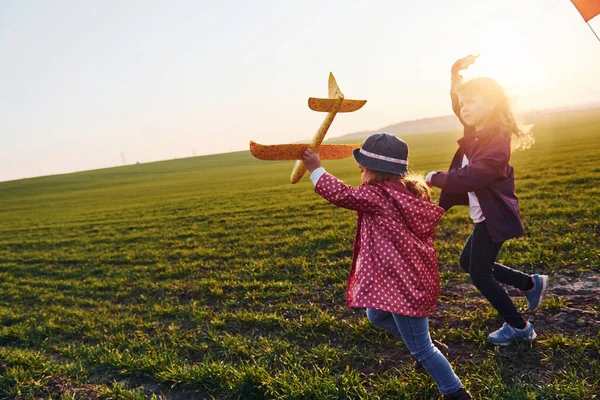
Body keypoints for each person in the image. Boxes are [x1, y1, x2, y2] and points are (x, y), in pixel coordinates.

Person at [302, 133, 472, 400]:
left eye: (364, 164)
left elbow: (341, 194)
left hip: (403, 285)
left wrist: (315, 169)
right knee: (376, 316)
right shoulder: (405, 192)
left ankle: (455, 393)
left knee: (422, 349)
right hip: (409, 279)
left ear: (375, 170)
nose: (359, 167)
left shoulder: (377, 196)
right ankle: (425, 346)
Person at [425, 55, 548, 346]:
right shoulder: (477, 132)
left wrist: (436, 177)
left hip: (494, 217)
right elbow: (459, 104)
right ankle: (529, 283)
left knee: (479, 273)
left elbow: (472, 176)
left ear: (491, 104)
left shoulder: (496, 141)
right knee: (468, 262)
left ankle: (519, 327)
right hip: (485, 217)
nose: (465, 109)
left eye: (473, 103)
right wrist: (455, 76)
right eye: (464, 104)